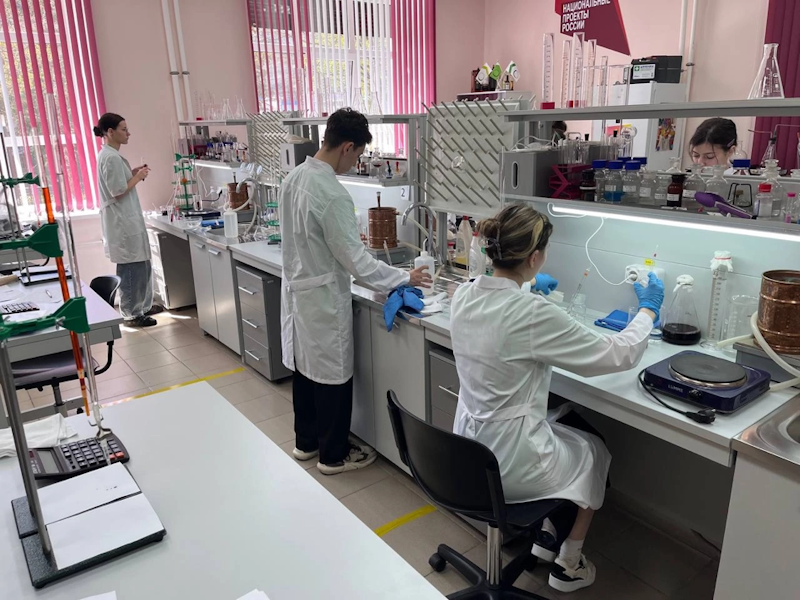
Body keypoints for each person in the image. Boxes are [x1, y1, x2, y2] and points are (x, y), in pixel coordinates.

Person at [449, 204, 664, 593]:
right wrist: (648, 310)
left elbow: (502, 307)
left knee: (565, 423)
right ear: (535, 257)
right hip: (510, 463)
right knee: (594, 451)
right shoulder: (532, 312)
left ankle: (548, 539)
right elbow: (616, 354)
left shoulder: (464, 294)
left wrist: (528, 284)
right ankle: (569, 562)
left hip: (467, 449)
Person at [279, 108, 432, 476]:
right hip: (322, 297)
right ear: (347, 146)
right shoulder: (332, 193)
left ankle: (306, 443)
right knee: (332, 375)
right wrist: (403, 278)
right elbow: (357, 262)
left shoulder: (294, 177)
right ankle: (333, 456)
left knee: (306, 370)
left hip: (300, 290)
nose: (357, 162)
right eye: (359, 154)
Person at [94, 113, 155, 327]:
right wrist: (137, 177)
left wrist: (132, 173)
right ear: (110, 132)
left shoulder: (110, 155)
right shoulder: (110, 157)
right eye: (124, 129)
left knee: (141, 266)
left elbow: (119, 182)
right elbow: (117, 190)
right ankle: (131, 313)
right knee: (131, 268)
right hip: (122, 222)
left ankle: (141, 307)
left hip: (126, 219)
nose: (128, 133)